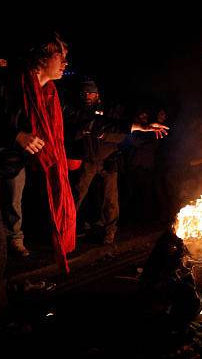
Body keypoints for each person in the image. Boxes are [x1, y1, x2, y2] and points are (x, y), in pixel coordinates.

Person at [0, 31, 73, 324]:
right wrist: (15, 134)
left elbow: (84, 118)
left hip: (5, 170)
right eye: (61, 56)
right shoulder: (8, 83)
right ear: (42, 57)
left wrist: (133, 126)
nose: (65, 63)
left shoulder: (48, 96)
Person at [64, 80, 168, 244]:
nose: (87, 96)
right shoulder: (77, 113)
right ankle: (67, 231)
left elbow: (121, 133)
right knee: (76, 196)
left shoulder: (109, 112)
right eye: (84, 93)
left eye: (90, 93)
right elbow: (70, 136)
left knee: (110, 199)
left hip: (108, 160)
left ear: (97, 95)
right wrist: (81, 133)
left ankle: (110, 232)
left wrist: (104, 135)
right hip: (88, 160)